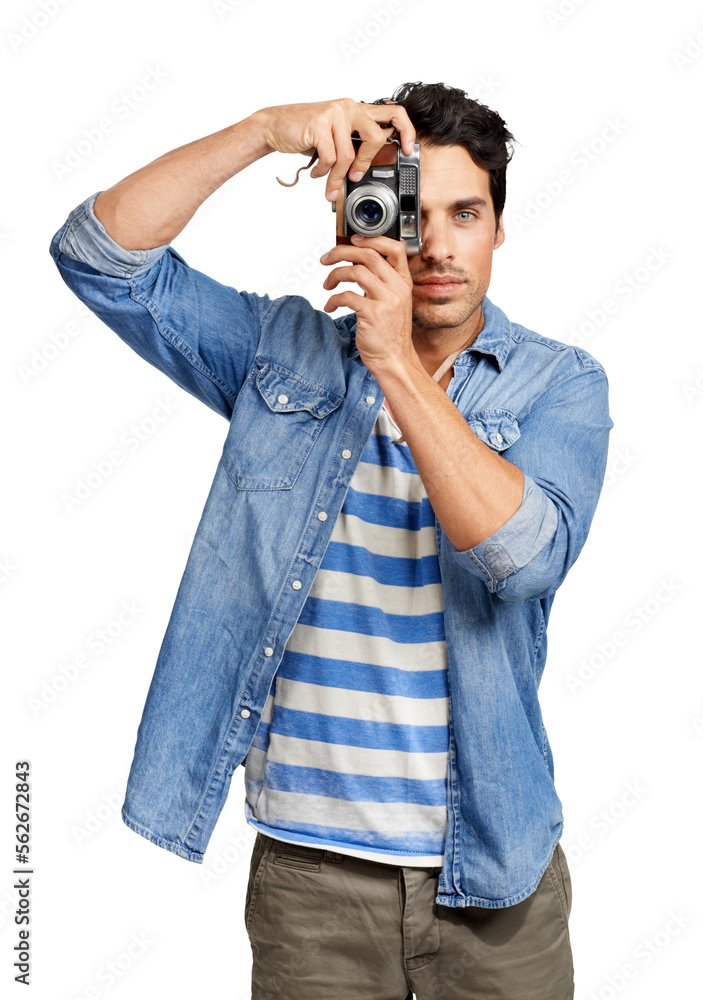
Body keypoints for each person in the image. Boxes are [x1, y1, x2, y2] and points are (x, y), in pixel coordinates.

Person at [49, 82, 613, 999]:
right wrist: (261, 131)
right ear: (355, 216)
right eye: (406, 213)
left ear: (499, 231)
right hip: (312, 880)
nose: (435, 246)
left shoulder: (558, 384)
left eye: (464, 214)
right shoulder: (280, 350)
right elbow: (98, 255)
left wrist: (392, 358)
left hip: (496, 871)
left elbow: (522, 557)